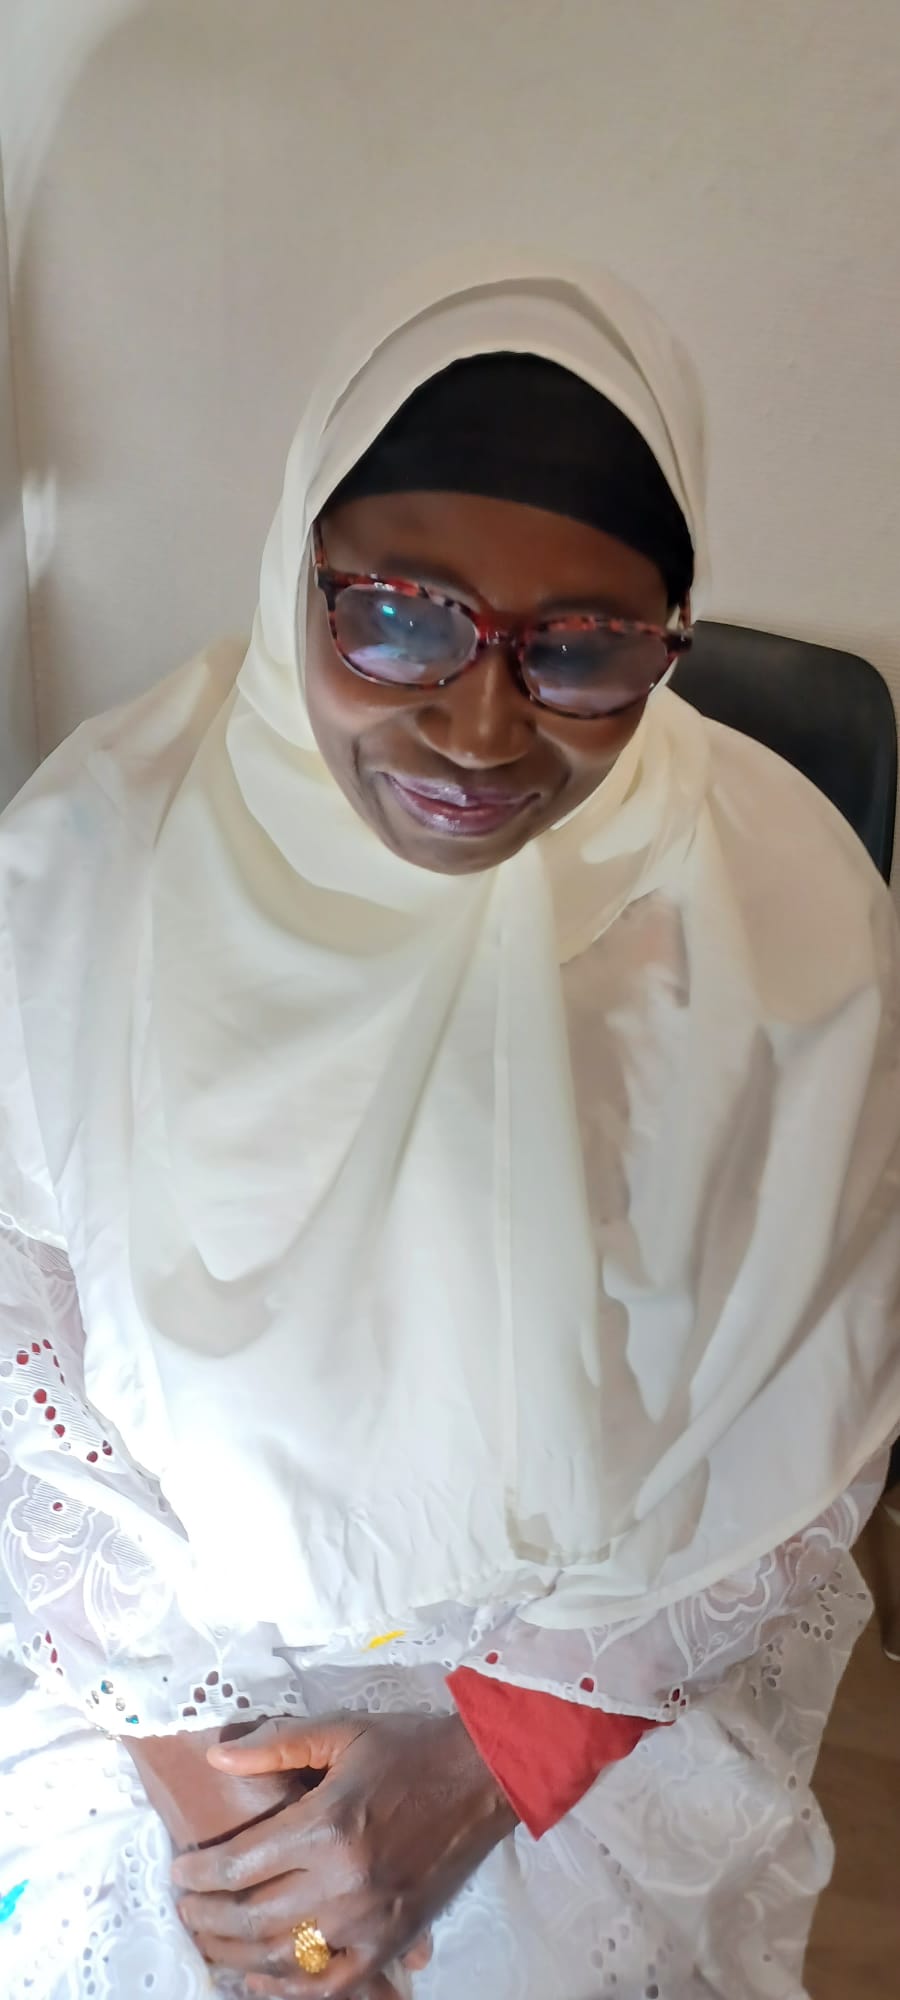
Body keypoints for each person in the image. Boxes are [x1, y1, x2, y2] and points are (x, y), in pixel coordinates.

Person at [1, 253, 898, 2000]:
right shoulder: (90, 865)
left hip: (578, 1697)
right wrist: (233, 1835)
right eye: (399, 615)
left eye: (584, 649)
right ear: (299, 568)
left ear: (670, 638)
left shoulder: (783, 914)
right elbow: (24, 1376)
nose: (481, 728)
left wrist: (486, 1769)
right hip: (160, 1689)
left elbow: (809, 1422)